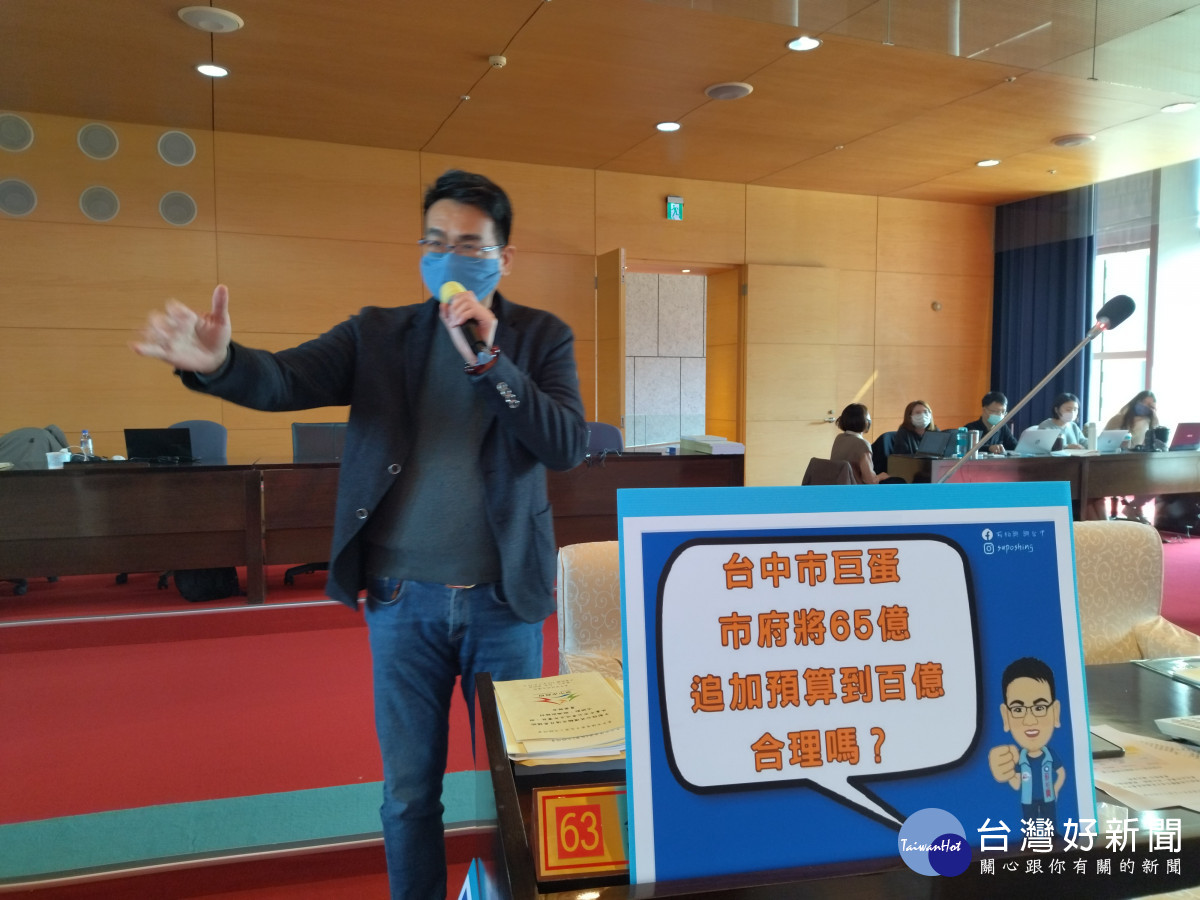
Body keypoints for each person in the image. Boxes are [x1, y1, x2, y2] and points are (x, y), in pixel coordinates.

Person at [132, 169, 588, 900]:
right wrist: (220, 364)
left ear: (503, 258)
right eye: (435, 241)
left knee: (517, 787)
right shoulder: (379, 334)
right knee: (408, 793)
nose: (449, 256)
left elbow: (564, 445)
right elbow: (284, 380)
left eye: (469, 244)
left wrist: (489, 360)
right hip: (404, 604)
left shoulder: (540, 337)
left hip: (506, 601)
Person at [988, 657, 1065, 825]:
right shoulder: (1018, 758)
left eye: (1039, 708)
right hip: (1027, 800)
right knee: (1030, 829)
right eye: (1018, 709)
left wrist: (1055, 788)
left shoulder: (1050, 755)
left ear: (1055, 712)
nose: (1029, 720)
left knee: (1051, 828)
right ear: (1006, 716)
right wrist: (1007, 774)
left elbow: (1061, 773)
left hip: (1048, 798)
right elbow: (1016, 785)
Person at [1105, 390, 1160, 521]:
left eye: (1150, 405)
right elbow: (1105, 442)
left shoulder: (1149, 421)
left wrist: (1154, 417)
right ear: (1137, 401)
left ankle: (1133, 507)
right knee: (1143, 476)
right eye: (1144, 403)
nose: (1146, 407)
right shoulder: (1119, 418)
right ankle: (1135, 509)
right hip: (1119, 462)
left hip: (1142, 461)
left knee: (1160, 479)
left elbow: (1157, 441)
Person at [831, 403, 900, 484]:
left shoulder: (839, 438)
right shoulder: (863, 445)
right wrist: (881, 476)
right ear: (865, 422)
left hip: (839, 485)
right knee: (898, 481)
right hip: (857, 488)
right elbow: (870, 481)